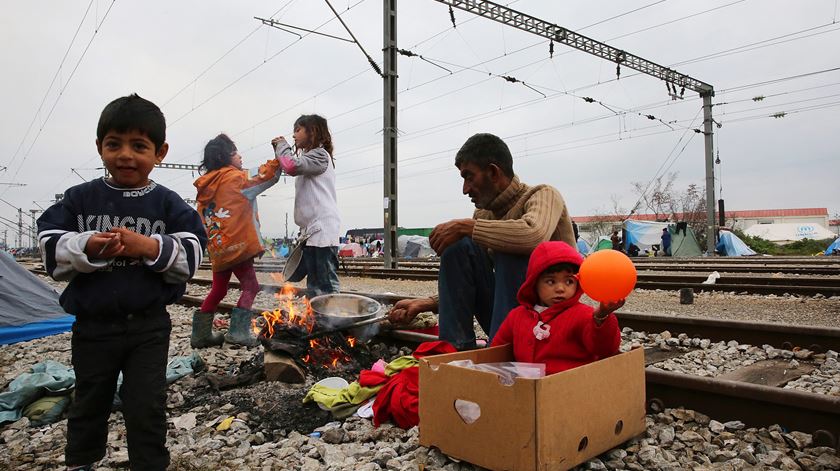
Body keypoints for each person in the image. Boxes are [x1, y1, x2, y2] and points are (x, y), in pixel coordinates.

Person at [37, 94, 206, 471]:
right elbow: (50, 245)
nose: (125, 155)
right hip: (93, 328)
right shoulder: (80, 199)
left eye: (139, 146)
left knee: (146, 405)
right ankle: (81, 462)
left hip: (148, 327)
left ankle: (149, 464)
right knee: (89, 401)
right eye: (114, 144)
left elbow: (191, 255)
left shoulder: (168, 204)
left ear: (160, 152)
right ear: (100, 148)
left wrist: (146, 245)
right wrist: (89, 246)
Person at [388, 133, 575, 349]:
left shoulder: (543, 195)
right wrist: (428, 303)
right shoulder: (484, 214)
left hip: (554, 321)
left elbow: (533, 235)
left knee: (508, 245)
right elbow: (473, 281)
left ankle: (499, 353)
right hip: (510, 321)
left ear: (493, 172)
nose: (465, 189)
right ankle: (454, 352)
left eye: (469, 177)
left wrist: (465, 227)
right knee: (459, 247)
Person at [193, 133, 281, 347]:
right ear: (226, 156)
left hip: (218, 249)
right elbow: (266, 175)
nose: (240, 156)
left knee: (219, 289)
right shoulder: (236, 178)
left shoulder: (205, 186)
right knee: (251, 287)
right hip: (238, 247)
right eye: (235, 152)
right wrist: (280, 155)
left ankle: (200, 335)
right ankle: (238, 332)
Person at [491, 241, 623, 375]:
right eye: (550, 281)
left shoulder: (584, 315)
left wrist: (601, 316)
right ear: (534, 283)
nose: (560, 289)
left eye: (569, 281)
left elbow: (604, 349)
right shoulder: (517, 316)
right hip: (526, 388)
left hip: (570, 387)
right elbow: (496, 351)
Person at [272, 114, 340, 296]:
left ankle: (333, 320)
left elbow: (290, 166)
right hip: (313, 231)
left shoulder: (319, 156)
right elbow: (289, 164)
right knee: (315, 285)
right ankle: (319, 321)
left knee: (325, 285)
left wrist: (282, 146)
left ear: (313, 131)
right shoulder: (311, 158)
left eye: (297, 130)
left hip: (322, 231)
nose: (293, 135)